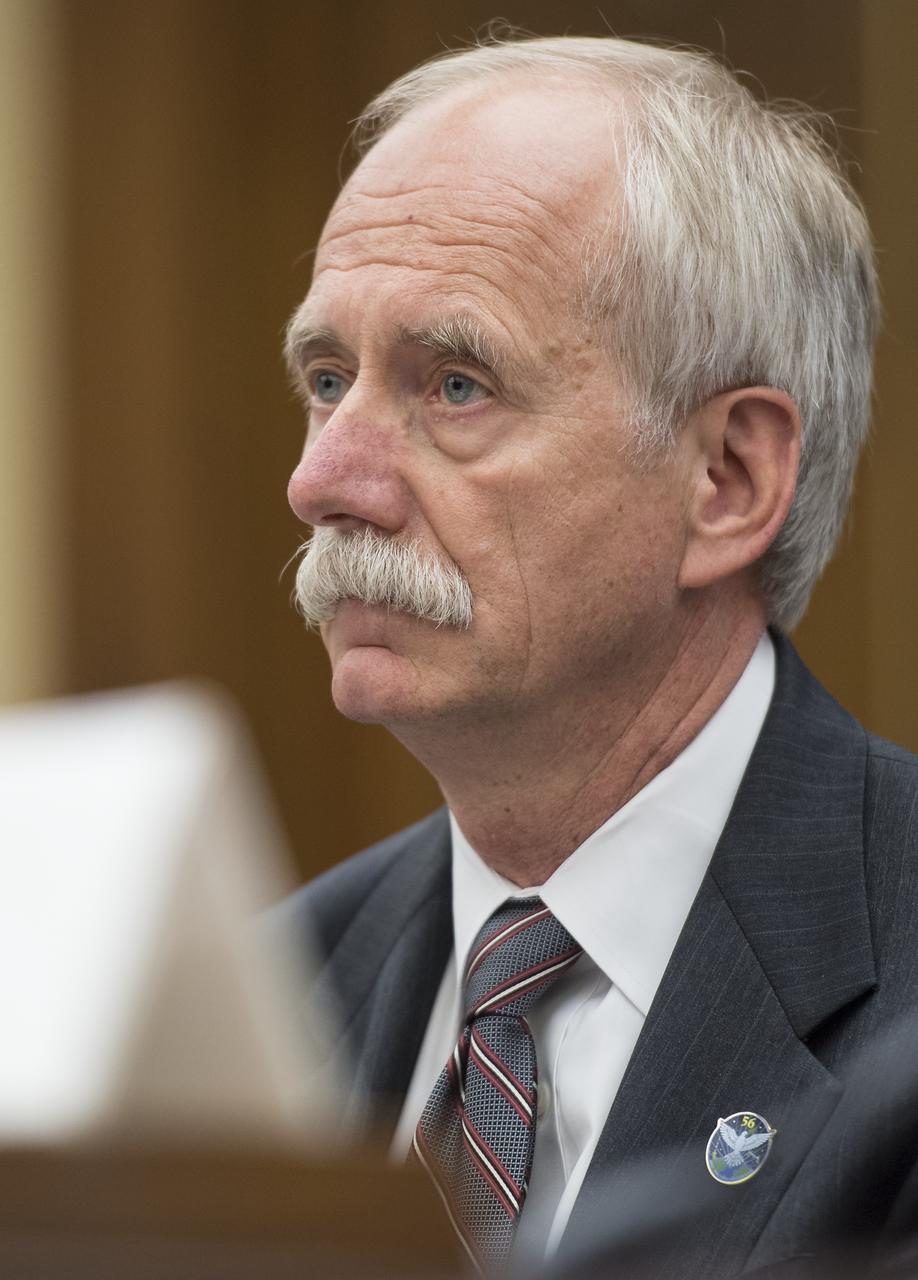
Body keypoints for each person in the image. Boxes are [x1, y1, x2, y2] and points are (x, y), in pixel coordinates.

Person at [278, 33, 918, 1278]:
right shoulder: (279, 989)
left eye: (454, 385)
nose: (323, 481)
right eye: (328, 376)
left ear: (726, 477)